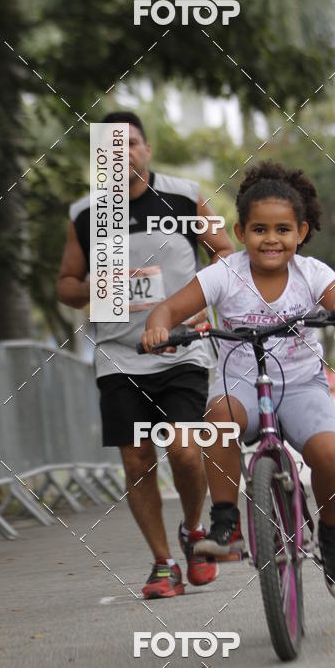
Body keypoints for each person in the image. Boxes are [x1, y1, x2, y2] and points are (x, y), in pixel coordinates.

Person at [142, 161, 335, 599]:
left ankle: (332, 534)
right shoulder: (224, 274)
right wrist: (158, 326)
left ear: (301, 232)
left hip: (301, 385)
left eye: (283, 229)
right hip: (242, 386)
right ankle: (226, 523)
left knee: (330, 454)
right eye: (259, 229)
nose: (271, 239)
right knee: (219, 417)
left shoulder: (312, 273)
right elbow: (167, 309)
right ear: (241, 231)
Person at [57, 111, 234, 599]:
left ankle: (194, 530)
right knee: (136, 461)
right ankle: (162, 563)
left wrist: (199, 303)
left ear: (146, 149)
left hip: (182, 347)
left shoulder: (184, 194)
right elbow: (66, 285)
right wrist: (90, 287)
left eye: (130, 143)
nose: (122, 153)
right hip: (118, 354)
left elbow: (225, 253)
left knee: (183, 448)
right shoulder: (85, 213)